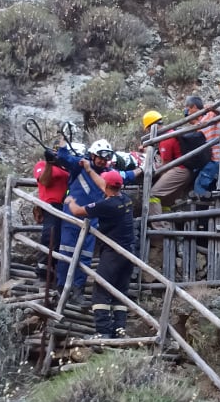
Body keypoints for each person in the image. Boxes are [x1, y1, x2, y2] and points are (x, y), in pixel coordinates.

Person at [55, 138, 141, 306]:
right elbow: (64, 158)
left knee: (85, 256)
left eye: (105, 158)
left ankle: (78, 291)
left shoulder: (107, 173)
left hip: (91, 219)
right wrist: (62, 143)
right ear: (93, 155)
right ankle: (61, 289)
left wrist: (141, 169)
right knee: (66, 253)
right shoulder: (80, 165)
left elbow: (124, 177)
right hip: (72, 218)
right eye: (100, 158)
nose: (102, 161)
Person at [67, 170, 135, 340]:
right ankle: (119, 330)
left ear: (107, 186)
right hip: (128, 252)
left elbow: (77, 211)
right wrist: (89, 169)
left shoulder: (107, 205)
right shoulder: (126, 199)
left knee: (101, 290)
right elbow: (103, 184)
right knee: (120, 290)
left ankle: (103, 331)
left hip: (113, 252)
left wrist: (70, 201)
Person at [32, 144, 75, 283]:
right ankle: (43, 271)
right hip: (50, 205)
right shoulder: (41, 165)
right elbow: (44, 181)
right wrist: (49, 163)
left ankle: (57, 271)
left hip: (66, 206)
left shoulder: (66, 168)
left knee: (62, 239)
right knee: (50, 236)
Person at [142, 110, 193, 216]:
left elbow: (165, 166)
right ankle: (166, 224)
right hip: (185, 170)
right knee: (165, 202)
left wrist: (156, 171)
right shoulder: (170, 132)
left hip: (179, 170)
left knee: (152, 195)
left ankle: (158, 225)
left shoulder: (166, 139)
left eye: (148, 130)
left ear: (152, 127)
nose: (148, 132)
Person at [184, 95, 220, 195]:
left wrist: (213, 108)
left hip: (218, 159)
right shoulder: (200, 124)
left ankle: (201, 203)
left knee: (199, 185)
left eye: (188, 109)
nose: (188, 112)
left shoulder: (210, 115)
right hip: (213, 161)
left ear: (194, 107)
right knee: (209, 187)